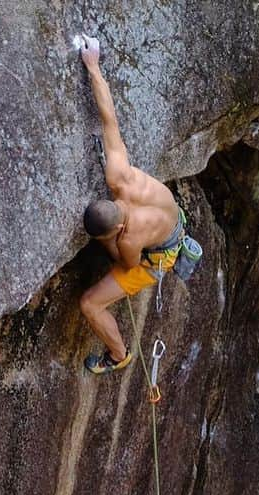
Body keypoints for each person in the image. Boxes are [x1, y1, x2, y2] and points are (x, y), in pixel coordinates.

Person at [76, 37, 186, 374]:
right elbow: (110, 120)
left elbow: (127, 265)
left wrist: (106, 243)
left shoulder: (127, 239)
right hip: (171, 217)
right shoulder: (120, 175)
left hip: (156, 259)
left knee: (90, 304)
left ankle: (119, 354)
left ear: (116, 230)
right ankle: (94, 61)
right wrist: (93, 65)